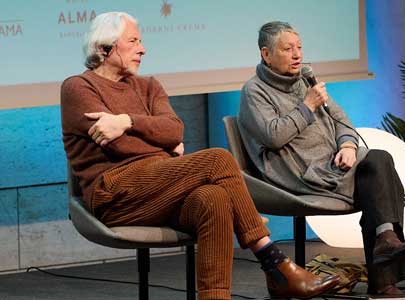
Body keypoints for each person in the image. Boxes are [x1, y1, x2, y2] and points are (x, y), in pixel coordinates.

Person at [60, 12, 340, 300]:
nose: (142, 48)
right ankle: (274, 262)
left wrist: (127, 122)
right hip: (115, 193)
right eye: (133, 41)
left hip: (163, 185)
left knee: (214, 200)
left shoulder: (149, 86)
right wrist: (162, 145)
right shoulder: (79, 88)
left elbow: (175, 131)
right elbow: (120, 147)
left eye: (141, 41)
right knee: (217, 159)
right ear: (104, 48)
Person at [238, 21, 405, 295]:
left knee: (378, 163)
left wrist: (347, 145)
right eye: (288, 49)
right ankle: (384, 276)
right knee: (377, 175)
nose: (297, 54)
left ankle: (385, 241)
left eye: (299, 47)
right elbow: (273, 136)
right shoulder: (254, 91)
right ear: (266, 54)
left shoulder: (305, 80)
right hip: (297, 172)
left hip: (332, 163)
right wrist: (308, 106)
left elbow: (341, 120)